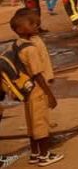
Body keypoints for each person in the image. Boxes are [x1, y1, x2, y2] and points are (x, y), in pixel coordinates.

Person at [10, 9, 63, 166]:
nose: (36, 27)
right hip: (37, 90)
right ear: (19, 29)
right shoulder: (31, 48)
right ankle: (45, 155)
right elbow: (38, 73)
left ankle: (34, 154)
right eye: (31, 24)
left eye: (36, 24)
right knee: (41, 123)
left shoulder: (18, 44)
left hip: (27, 89)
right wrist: (50, 95)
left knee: (32, 123)